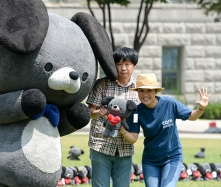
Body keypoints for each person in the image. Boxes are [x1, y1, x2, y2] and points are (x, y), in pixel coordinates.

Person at [128, 73, 211, 187]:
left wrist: (201, 108)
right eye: (141, 91)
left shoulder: (169, 103)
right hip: (150, 160)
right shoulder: (136, 111)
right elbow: (132, 138)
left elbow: (192, 116)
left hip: (172, 158)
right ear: (137, 92)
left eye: (149, 90)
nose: (145, 94)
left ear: (155, 91)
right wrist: (120, 127)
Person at [86, 46, 140, 187]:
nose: (123, 68)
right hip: (101, 144)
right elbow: (89, 113)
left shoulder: (138, 89)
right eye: (119, 64)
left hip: (125, 147)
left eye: (127, 64)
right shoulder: (102, 84)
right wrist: (99, 112)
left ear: (134, 66)